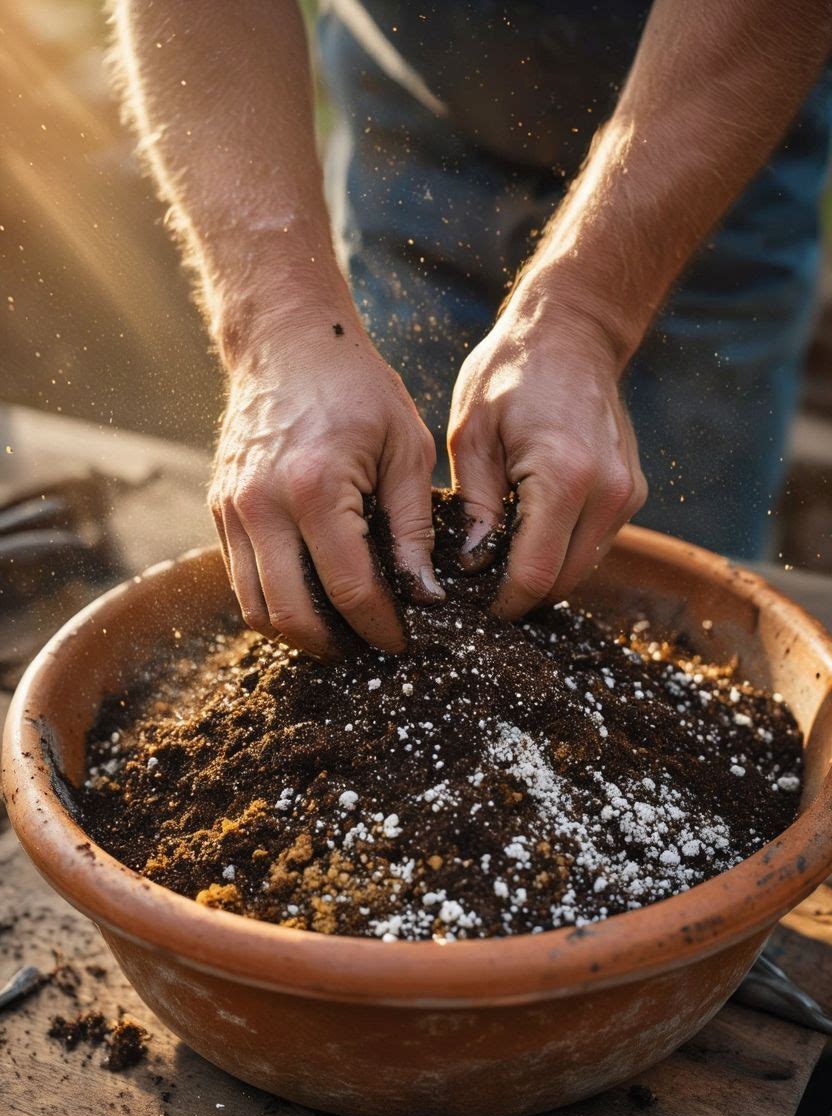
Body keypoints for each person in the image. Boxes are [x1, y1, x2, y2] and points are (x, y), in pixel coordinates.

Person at [112, 0, 832, 660]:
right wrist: (274, 326)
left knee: (683, 604)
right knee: (353, 509)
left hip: (712, 140)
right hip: (414, 117)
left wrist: (591, 312)